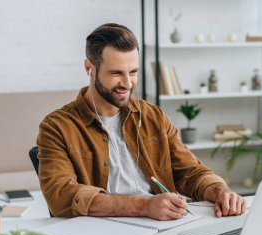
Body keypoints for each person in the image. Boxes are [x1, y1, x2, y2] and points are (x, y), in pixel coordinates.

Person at [37, 23, 247, 220]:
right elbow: (61, 196)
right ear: (89, 68)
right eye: (116, 73)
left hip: (162, 224)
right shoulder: (56, 127)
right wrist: (144, 206)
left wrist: (222, 191)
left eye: (133, 72)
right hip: (103, 230)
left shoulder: (152, 116)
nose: (127, 83)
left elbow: (191, 172)